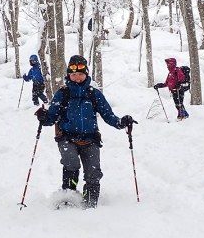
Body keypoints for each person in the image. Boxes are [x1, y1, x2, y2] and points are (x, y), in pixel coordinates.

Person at [35, 55, 136, 208]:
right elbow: (51, 118)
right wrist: (44, 117)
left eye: (80, 74)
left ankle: (90, 205)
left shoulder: (94, 94)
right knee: (72, 164)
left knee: (93, 173)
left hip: (91, 139)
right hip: (67, 138)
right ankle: (68, 199)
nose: (77, 78)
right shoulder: (62, 94)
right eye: (73, 74)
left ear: (86, 74)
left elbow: (108, 115)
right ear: (69, 75)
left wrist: (121, 122)